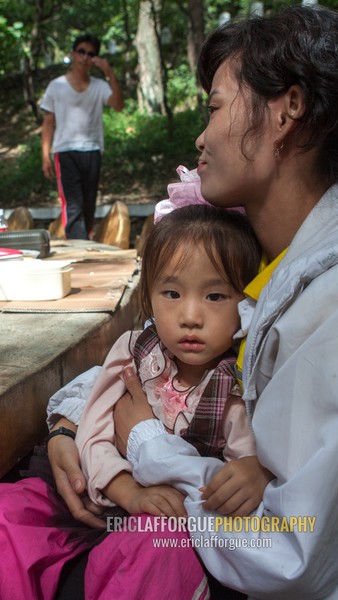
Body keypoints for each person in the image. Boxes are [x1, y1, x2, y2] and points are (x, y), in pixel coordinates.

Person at [12, 4, 338, 599]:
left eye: (214, 107)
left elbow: (288, 550)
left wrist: (151, 446)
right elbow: (148, 360)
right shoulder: (269, 266)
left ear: (287, 111)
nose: (201, 137)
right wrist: (68, 425)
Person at [0, 204, 269, 600]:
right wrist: (129, 492)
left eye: (215, 295)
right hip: (104, 494)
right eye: (172, 293)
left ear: (246, 304)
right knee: (10, 511)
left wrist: (252, 472)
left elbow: (240, 471)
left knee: (154, 543)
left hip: (169, 526)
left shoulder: (239, 383)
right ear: (149, 295)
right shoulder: (134, 352)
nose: (190, 316)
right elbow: (92, 428)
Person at [41, 34, 124, 240]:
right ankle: (78, 251)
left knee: (88, 205)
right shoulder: (56, 86)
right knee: (73, 205)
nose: (85, 57)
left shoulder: (99, 85)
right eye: (81, 52)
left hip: (92, 150)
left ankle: (84, 247)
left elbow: (118, 104)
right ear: (73, 53)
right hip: (65, 151)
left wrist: (109, 73)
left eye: (91, 54)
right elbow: (48, 122)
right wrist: (45, 155)